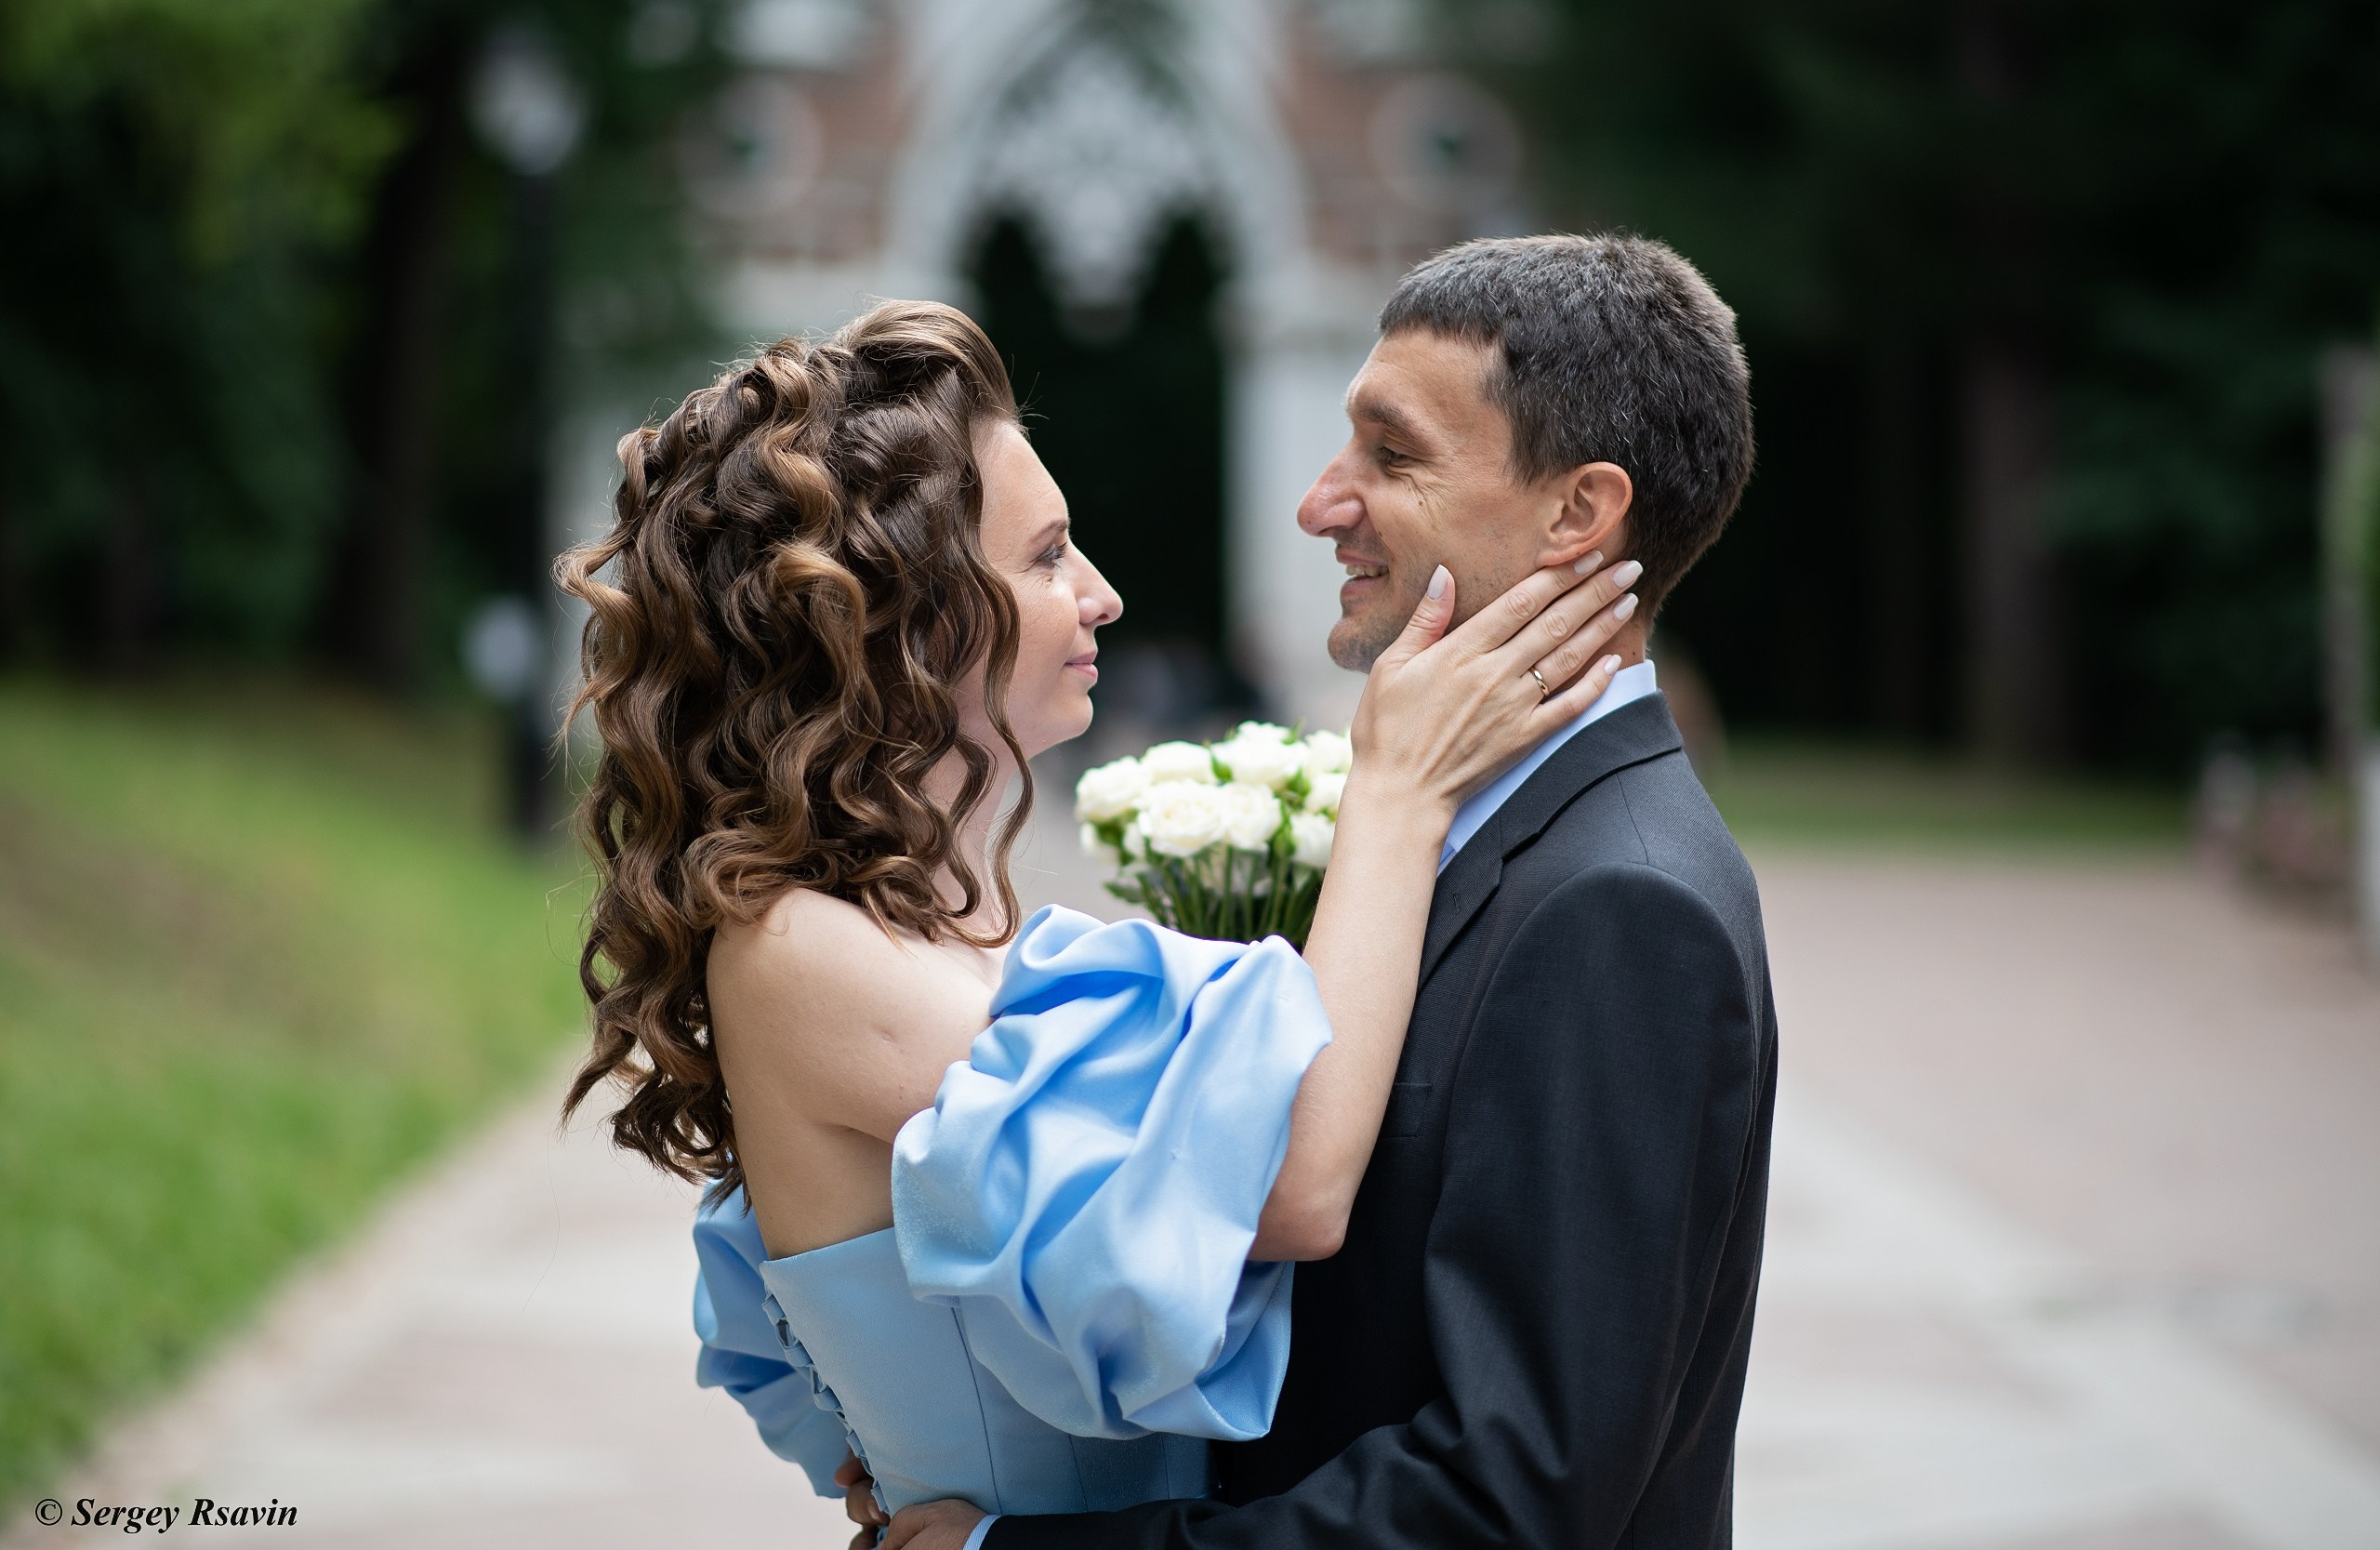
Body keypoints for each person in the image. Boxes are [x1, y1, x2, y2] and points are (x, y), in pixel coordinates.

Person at [554, 300, 1639, 1543]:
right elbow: (1283, 1187)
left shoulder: (924, 934)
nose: (1104, 596)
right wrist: (1393, 789)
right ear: (903, 614)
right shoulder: (797, 951)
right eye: (1048, 556)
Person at [890, 233, 1775, 1550]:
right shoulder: (1472, 836)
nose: (1319, 502)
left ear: (1579, 514)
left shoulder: (1619, 903)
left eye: (1392, 453)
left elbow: (1515, 1495)